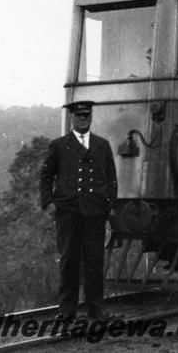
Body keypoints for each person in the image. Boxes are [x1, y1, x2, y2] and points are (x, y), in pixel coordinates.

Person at [39, 100, 118, 321]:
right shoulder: (59, 146)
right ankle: (66, 312)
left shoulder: (102, 145)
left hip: (94, 213)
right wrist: (49, 202)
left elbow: (111, 178)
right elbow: (46, 176)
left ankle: (96, 311)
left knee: (94, 262)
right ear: (72, 119)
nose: (83, 120)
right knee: (69, 261)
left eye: (86, 116)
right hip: (68, 213)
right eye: (79, 116)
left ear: (91, 117)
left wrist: (108, 206)